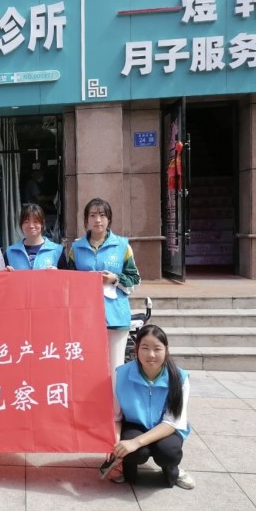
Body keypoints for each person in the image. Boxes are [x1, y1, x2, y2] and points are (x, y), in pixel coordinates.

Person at [108, 324, 195, 490]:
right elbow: (116, 416)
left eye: (157, 349)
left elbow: (172, 422)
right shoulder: (121, 374)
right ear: (136, 348)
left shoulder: (179, 378)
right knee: (135, 452)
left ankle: (174, 470)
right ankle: (125, 468)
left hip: (166, 428)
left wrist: (136, 442)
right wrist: (114, 444)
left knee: (168, 452)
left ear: (166, 350)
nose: (151, 354)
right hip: (134, 425)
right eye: (145, 348)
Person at [68, 198, 140, 380]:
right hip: (85, 318)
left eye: (102, 215)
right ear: (86, 220)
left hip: (115, 317)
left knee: (115, 369)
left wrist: (115, 278)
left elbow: (135, 279)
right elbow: (68, 282)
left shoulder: (122, 246)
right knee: (87, 368)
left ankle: (115, 400)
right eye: (92, 215)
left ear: (109, 219)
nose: (97, 220)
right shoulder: (76, 248)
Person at [5, 203, 67, 270]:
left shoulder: (57, 250)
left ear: (42, 224)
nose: (31, 226)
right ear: (21, 224)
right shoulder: (10, 252)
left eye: (36, 222)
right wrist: (6, 272)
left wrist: (58, 273)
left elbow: (67, 275)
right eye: (26, 222)